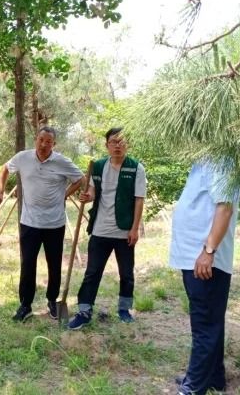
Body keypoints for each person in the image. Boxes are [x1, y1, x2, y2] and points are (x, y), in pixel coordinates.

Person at [0, 126, 83, 322]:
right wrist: (0, 191)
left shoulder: (62, 161)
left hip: (54, 223)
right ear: (36, 139)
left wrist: (64, 195)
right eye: (41, 140)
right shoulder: (23, 158)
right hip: (29, 222)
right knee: (28, 263)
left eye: (48, 141)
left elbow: (80, 179)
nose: (43, 144)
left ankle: (52, 301)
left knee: (54, 263)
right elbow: (5, 169)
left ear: (54, 144)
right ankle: (25, 305)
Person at [170, 160, 240, 395]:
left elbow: (225, 208)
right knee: (210, 320)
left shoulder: (222, 160)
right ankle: (213, 377)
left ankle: (194, 387)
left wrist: (208, 251)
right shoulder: (204, 160)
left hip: (204, 258)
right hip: (195, 256)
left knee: (205, 324)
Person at [68, 127, 146, 329]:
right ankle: (84, 311)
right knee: (92, 272)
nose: (117, 145)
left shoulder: (136, 168)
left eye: (121, 141)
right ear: (107, 145)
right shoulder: (98, 166)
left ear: (127, 144)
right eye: (113, 142)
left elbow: (139, 200)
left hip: (124, 231)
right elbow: (93, 192)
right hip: (100, 229)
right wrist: (87, 196)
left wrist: (135, 228)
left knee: (126, 273)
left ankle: (124, 309)